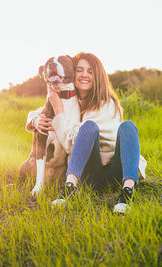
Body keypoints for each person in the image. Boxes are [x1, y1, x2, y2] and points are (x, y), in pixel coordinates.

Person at [26, 52, 146, 213]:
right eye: (80, 70)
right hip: (90, 171)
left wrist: (59, 110)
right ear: (73, 72)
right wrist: (35, 120)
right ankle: (69, 189)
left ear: (98, 76)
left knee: (127, 126)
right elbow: (44, 111)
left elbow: (70, 145)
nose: (84, 75)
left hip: (114, 168)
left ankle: (127, 192)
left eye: (90, 72)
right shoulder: (74, 99)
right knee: (88, 127)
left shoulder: (105, 104)